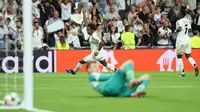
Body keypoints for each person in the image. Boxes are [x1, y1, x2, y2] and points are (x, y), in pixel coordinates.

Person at [86, 60, 150, 97]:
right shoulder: (92, 75)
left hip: (115, 91)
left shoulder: (94, 78)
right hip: (109, 87)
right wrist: (123, 75)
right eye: (94, 67)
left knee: (146, 77)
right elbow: (108, 77)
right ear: (88, 70)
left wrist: (123, 77)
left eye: (97, 66)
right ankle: (132, 81)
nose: (97, 68)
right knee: (129, 62)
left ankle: (137, 92)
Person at [176, 10, 199, 77]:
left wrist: (176, 30)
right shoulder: (186, 20)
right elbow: (189, 28)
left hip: (180, 41)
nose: (177, 14)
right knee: (188, 56)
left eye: (179, 13)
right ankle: (195, 66)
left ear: (181, 14)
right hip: (187, 40)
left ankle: (182, 73)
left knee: (179, 57)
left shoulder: (178, 21)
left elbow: (179, 28)